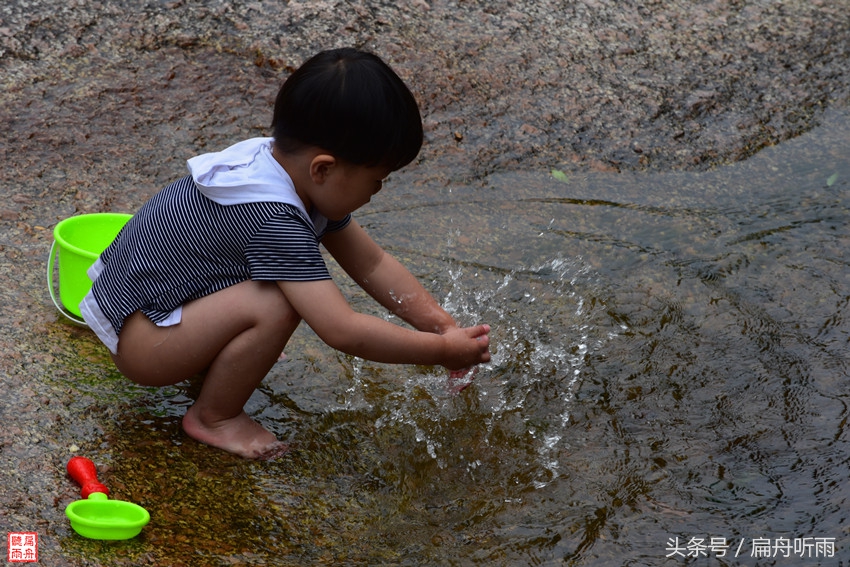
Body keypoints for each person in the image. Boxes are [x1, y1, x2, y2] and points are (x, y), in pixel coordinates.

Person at [79, 48, 491, 459]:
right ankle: (214, 417)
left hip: (146, 309)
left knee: (274, 285)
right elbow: (341, 330)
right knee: (277, 302)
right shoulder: (272, 216)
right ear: (323, 169)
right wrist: (440, 352)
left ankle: (212, 373)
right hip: (143, 343)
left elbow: (372, 263)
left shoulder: (282, 167)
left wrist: (442, 326)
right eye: (377, 180)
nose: (376, 192)